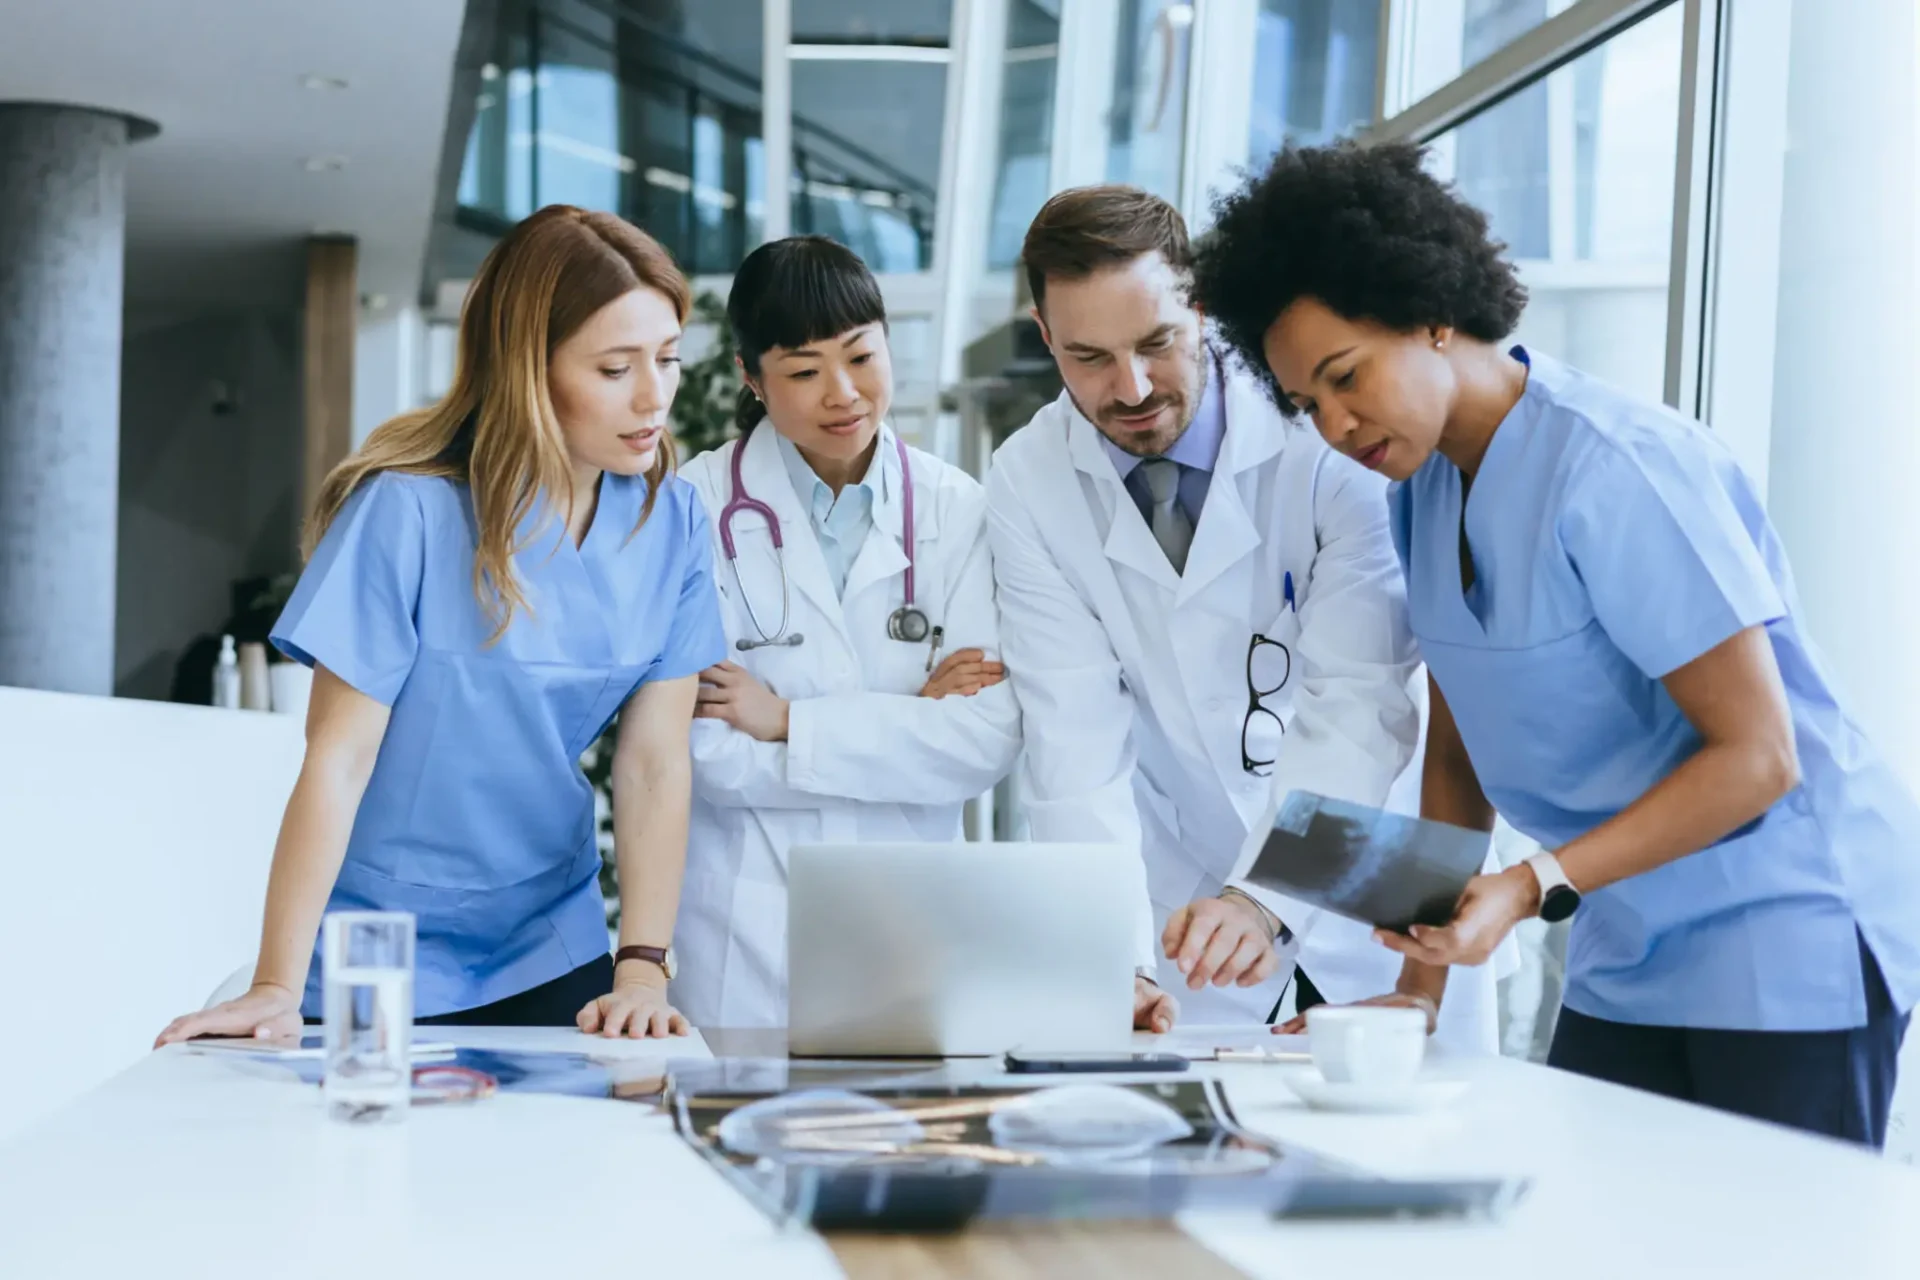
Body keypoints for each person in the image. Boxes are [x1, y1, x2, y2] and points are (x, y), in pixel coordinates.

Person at [1193, 139, 1919, 1145]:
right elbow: (1460, 747)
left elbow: (1760, 756)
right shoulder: (1424, 490)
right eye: (1308, 403)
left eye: (1346, 375)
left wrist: (1529, 884)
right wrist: (1419, 988)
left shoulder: (1618, 467)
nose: (1335, 421)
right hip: (1630, 938)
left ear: (1430, 311)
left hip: (1784, 924)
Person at [156, 206, 725, 1046]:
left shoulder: (670, 521)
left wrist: (640, 962)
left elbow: (651, 762)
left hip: (548, 937)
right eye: (614, 368)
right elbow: (338, 758)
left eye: (669, 359)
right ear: (528, 368)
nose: (654, 396)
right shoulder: (409, 512)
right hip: (376, 940)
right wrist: (277, 982)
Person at [987, 185, 1507, 1047]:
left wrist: (1265, 898)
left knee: (1415, 1157)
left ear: (1201, 307)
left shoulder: (1328, 435)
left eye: (1158, 342)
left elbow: (1361, 699)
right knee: (1203, 1159)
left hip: (1382, 873)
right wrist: (1113, 961)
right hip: (1187, 908)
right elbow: (1073, 743)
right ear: (1045, 339)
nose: (1132, 387)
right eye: (1088, 358)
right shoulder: (1029, 479)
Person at [672, 236, 1022, 1029]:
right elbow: (707, 755)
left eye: (862, 356)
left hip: (916, 926)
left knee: (909, 1148)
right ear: (750, 380)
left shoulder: (955, 509)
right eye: (802, 371)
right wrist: (910, 718)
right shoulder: (693, 510)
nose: (844, 394)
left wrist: (788, 720)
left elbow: (982, 745)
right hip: (744, 933)